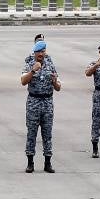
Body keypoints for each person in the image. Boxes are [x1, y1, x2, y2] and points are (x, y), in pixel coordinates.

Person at [20, 40, 61, 173]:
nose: (41, 54)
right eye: (39, 52)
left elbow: (58, 87)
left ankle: (47, 162)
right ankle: (30, 162)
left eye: (43, 51)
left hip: (47, 102)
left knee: (47, 133)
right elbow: (23, 81)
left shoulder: (50, 65)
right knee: (31, 133)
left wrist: (55, 82)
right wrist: (33, 71)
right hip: (33, 101)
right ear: (35, 53)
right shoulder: (29, 64)